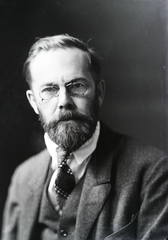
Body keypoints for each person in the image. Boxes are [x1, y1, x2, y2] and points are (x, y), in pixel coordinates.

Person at [2, 34, 168, 240]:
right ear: (34, 102)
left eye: (77, 86)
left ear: (99, 93)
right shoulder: (23, 177)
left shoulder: (153, 173)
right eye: (49, 90)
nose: (64, 101)